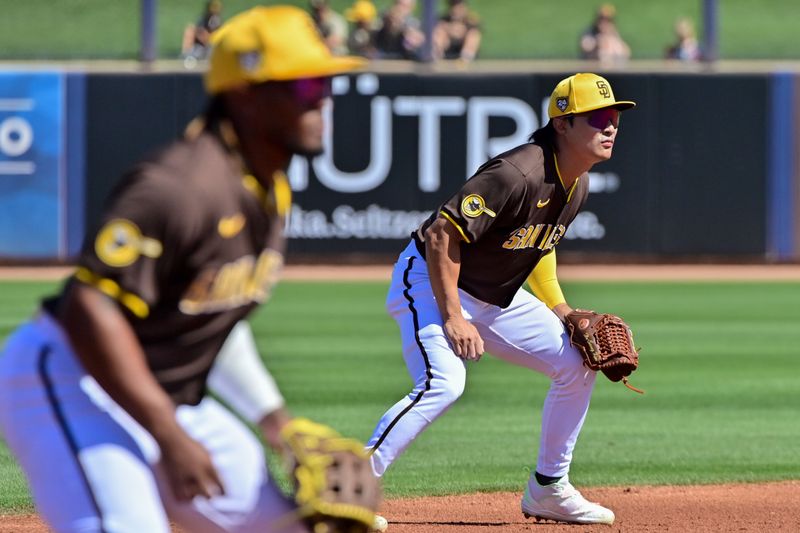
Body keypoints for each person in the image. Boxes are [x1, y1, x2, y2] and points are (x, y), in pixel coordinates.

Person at [0, 6, 366, 533]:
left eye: (325, 84)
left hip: (166, 395)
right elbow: (89, 306)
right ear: (245, 95)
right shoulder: (179, 187)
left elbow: (211, 315)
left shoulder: (268, 187)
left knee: (289, 526)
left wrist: (278, 424)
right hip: (69, 380)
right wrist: (169, 436)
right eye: (304, 86)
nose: (322, 100)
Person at [366, 73, 635, 527]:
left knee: (576, 365)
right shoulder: (517, 172)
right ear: (563, 124)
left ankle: (548, 489)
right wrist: (452, 316)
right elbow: (440, 235)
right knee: (443, 383)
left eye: (614, 118)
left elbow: (538, 246)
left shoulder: (577, 183)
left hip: (494, 297)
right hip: (431, 283)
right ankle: (342, 489)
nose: (610, 127)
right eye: (597, 118)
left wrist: (562, 311)